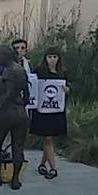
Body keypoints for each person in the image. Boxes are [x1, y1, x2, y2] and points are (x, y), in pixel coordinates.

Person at [0, 45, 30, 190]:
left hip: (7, 112)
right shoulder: (21, 69)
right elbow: (27, 93)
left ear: (5, 56)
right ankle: (15, 179)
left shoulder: (10, 71)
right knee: (18, 147)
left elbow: (8, 95)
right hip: (21, 112)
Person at [30, 47, 69, 180]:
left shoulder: (62, 73)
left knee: (50, 138)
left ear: (58, 59)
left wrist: (67, 90)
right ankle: (53, 168)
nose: (52, 60)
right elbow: (32, 86)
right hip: (42, 111)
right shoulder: (39, 72)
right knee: (47, 138)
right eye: (50, 57)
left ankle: (42, 164)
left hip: (56, 110)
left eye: (55, 57)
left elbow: (69, 88)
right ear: (45, 58)